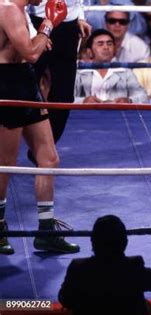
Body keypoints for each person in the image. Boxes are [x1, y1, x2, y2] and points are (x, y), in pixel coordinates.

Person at [0, 0, 79, 254]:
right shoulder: (8, 10)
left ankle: (46, 231)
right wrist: (48, 25)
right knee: (6, 164)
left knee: (49, 157)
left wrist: (43, 35)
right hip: (6, 82)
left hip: (26, 80)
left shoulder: (20, 11)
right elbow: (32, 53)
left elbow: (37, 47)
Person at [59, 215, 151, 315]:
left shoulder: (79, 268)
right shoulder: (133, 269)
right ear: (125, 242)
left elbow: (65, 299)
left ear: (92, 242)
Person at [28, 0, 92, 165]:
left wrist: (80, 17)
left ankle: (42, 152)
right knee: (25, 90)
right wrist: (32, 33)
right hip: (37, 23)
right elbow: (16, 5)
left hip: (69, 28)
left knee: (64, 97)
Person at [74, 29, 148, 104]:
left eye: (109, 44)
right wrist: (83, 101)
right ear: (89, 52)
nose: (106, 47)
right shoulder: (79, 73)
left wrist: (129, 100)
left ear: (115, 50)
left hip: (117, 114)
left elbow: (143, 96)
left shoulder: (125, 72)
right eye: (100, 44)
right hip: (86, 114)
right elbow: (66, 97)